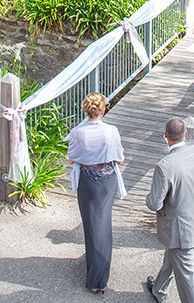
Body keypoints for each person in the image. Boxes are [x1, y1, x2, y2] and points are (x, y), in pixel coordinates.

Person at [145, 117, 194, 303]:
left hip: (180, 229)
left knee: (187, 275)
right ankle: (159, 290)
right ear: (186, 134)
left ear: (165, 136)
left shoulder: (164, 166)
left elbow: (155, 204)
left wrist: (148, 198)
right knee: (173, 255)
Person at [67, 93, 125, 293]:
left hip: (88, 181)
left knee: (91, 225)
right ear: (103, 110)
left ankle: (95, 278)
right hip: (107, 181)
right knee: (104, 223)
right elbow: (119, 158)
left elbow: (72, 157)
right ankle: (101, 276)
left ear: (86, 110)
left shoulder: (77, 132)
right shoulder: (112, 131)